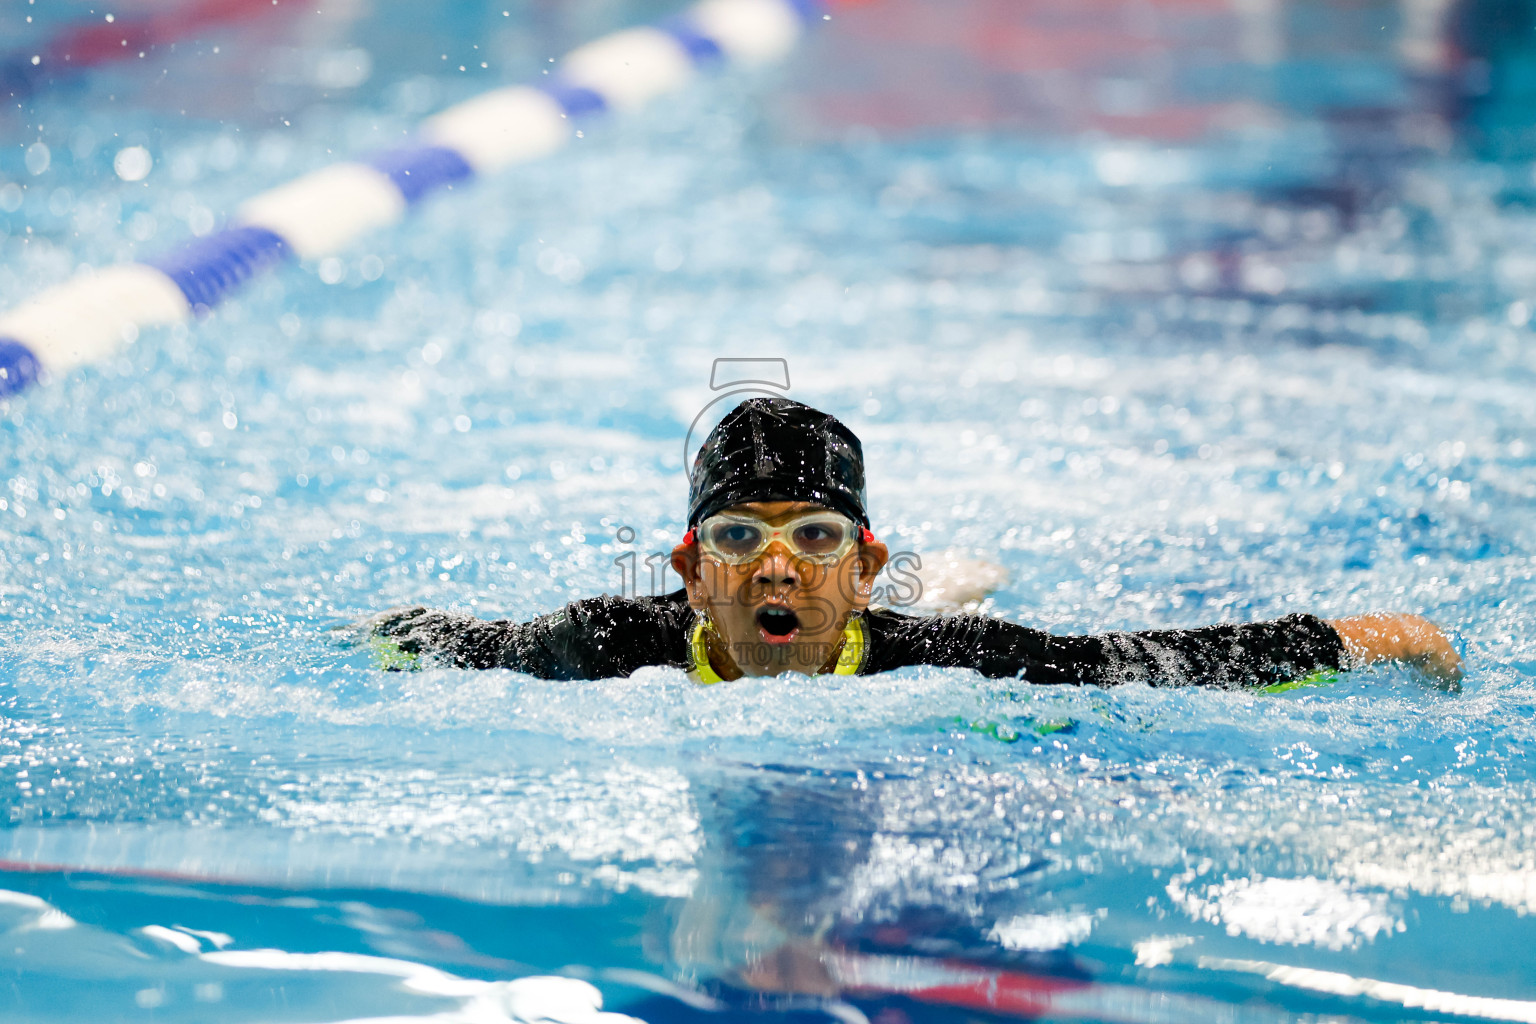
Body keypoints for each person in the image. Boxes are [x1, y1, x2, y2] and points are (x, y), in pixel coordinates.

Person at [369, 398, 1461, 687]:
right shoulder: (607, 643)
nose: (777, 565)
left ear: (864, 567)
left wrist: (1364, 636)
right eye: (740, 537)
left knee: (956, 608)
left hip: (915, 622)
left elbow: (1136, 664)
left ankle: (944, 581)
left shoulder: (941, 661)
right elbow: (433, 639)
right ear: (692, 575)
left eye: (816, 536)